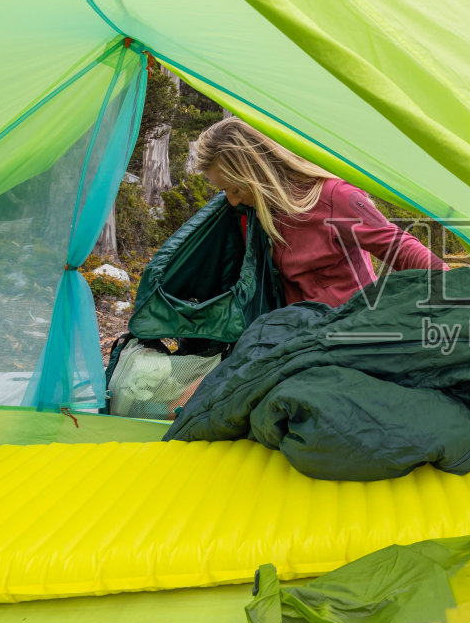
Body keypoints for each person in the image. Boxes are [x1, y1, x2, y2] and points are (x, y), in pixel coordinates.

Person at [166, 117, 447, 412]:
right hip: (290, 338)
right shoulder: (256, 212)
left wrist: (456, 290)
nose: (232, 201)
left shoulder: (334, 198)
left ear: (257, 173)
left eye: (235, 189)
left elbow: (401, 248)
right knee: (182, 406)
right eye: (224, 191)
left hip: (347, 336)